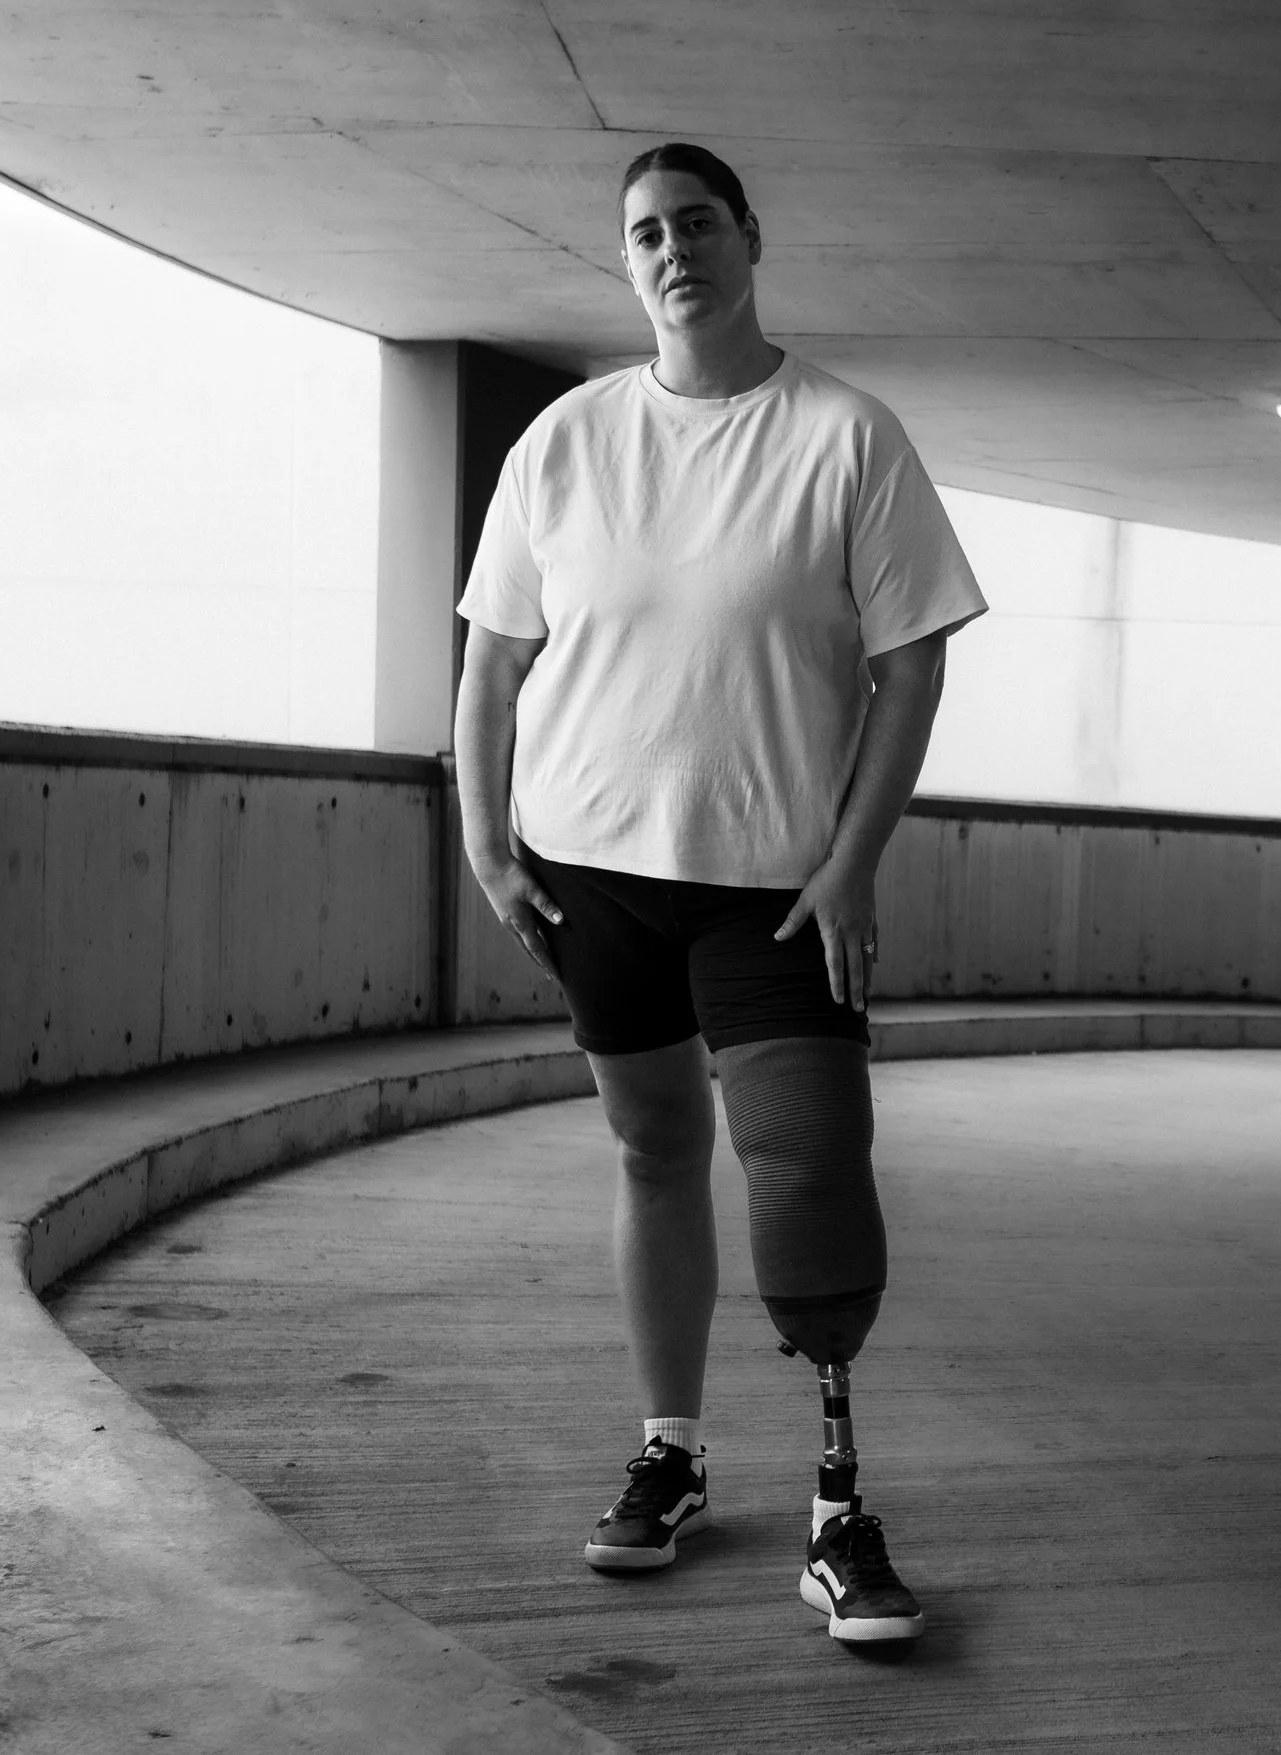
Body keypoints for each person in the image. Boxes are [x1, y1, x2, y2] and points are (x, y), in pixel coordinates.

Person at [451, 142, 984, 1649]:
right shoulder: (566, 441)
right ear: (626, 263)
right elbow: (491, 665)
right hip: (591, 875)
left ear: (751, 237)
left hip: (776, 886)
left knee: (807, 1172)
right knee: (654, 1148)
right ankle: (671, 1455)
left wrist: (854, 858)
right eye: (644, 234)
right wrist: (488, 843)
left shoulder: (846, 436)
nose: (672, 250)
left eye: (697, 222)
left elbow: (912, 665)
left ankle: (838, 1512)